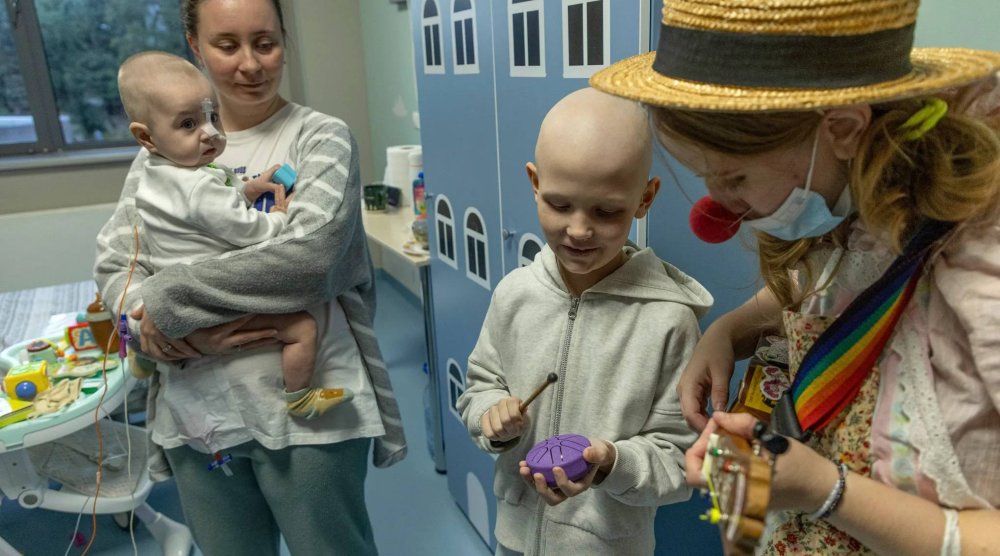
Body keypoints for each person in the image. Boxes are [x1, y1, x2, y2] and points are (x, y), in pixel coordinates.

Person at [591, 0, 1000, 553]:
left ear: (843, 127)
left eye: (734, 176)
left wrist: (824, 490)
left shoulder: (982, 274)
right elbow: (847, 291)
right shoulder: (860, 199)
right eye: (705, 177)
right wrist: (730, 330)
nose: (720, 205)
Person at [95, 1, 406, 554]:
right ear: (195, 46)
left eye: (265, 43)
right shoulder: (154, 160)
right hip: (198, 414)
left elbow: (308, 261)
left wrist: (167, 300)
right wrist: (162, 328)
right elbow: (117, 264)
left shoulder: (319, 138)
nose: (250, 64)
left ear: (285, 39)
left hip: (309, 425)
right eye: (227, 45)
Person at [457, 88, 712, 556]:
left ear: (645, 198)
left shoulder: (669, 322)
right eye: (559, 204)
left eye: (606, 211)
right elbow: (479, 388)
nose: (578, 229)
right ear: (534, 183)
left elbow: (680, 462)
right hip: (513, 538)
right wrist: (490, 416)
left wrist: (612, 463)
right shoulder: (514, 295)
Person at [117, 50, 353, 420]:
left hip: (168, 295)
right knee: (301, 328)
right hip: (209, 299)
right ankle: (301, 398)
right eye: (189, 124)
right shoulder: (197, 186)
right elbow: (243, 230)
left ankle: (141, 358)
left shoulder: (156, 174)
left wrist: (247, 189)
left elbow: (205, 209)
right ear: (146, 137)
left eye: (212, 117)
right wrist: (278, 218)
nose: (210, 132)